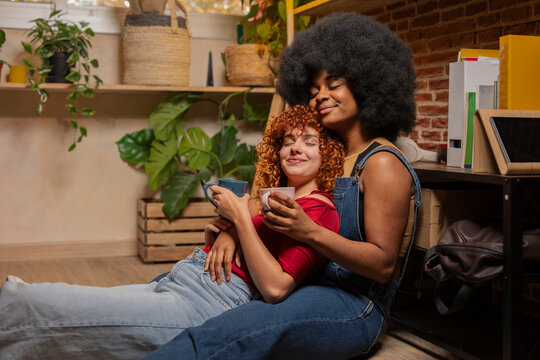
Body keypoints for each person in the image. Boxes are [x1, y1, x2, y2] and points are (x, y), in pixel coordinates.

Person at [143, 12, 422, 360]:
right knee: (165, 288)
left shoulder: (381, 162)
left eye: (333, 84)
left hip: (353, 302)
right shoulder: (327, 152)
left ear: (368, 83)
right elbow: (267, 208)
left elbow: (383, 266)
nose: (320, 96)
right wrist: (233, 231)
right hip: (305, 279)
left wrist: (309, 232)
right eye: (314, 89)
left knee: (238, 331)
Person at [0, 105, 345, 359]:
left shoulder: (319, 209)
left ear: (327, 154)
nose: (295, 147)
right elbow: (255, 242)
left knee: (60, 308)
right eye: (288, 141)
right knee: (82, 313)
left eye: (310, 142)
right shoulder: (275, 199)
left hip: (212, 301)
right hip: (187, 277)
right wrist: (227, 232)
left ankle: (16, 306)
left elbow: (275, 288)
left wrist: (239, 220)